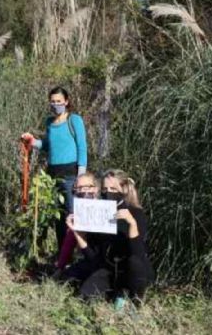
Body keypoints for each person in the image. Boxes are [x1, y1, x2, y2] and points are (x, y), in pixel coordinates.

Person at [59, 169, 153, 305]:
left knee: (135, 263)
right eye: (105, 189)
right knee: (83, 296)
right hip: (108, 269)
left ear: (124, 189)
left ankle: (134, 300)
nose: (108, 192)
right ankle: (116, 292)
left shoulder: (136, 213)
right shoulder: (99, 213)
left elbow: (138, 254)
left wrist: (132, 224)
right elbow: (93, 258)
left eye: (113, 189)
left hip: (132, 270)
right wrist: (77, 233)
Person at [21, 86, 88, 249]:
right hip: (52, 175)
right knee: (58, 217)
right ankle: (62, 254)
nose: (56, 104)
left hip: (71, 174)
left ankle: (78, 253)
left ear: (66, 101)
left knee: (72, 215)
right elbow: (48, 145)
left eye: (59, 101)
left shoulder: (74, 120)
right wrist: (32, 142)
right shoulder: (49, 122)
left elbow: (82, 147)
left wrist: (81, 176)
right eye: (53, 101)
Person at [55, 172, 101, 270]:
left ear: (95, 189)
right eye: (79, 188)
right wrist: (60, 268)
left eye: (86, 187)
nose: (82, 191)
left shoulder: (105, 209)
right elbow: (69, 243)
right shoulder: (79, 213)